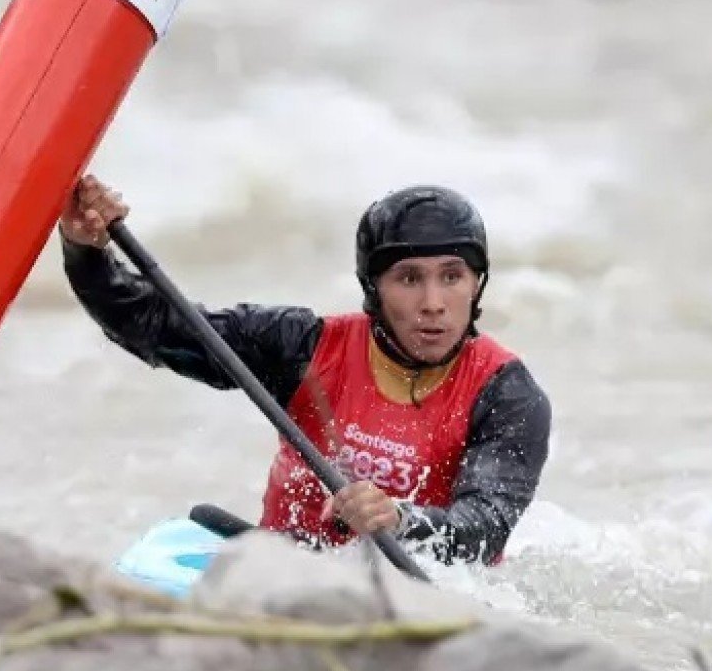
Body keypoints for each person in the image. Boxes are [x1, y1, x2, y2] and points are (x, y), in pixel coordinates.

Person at [57, 175, 551, 566]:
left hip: (415, 589)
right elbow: (148, 324)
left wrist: (399, 519)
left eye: (452, 276)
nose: (433, 304)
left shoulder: (507, 394)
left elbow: (482, 531)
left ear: (477, 284)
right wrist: (87, 250)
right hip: (284, 572)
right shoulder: (302, 347)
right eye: (408, 279)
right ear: (373, 289)